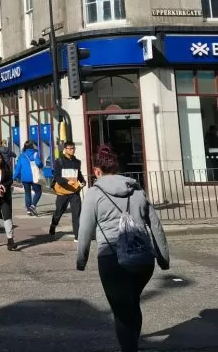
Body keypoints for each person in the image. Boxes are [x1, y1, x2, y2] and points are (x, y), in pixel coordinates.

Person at [77, 145, 170, 352]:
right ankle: (132, 344)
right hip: (142, 259)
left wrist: (81, 259)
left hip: (112, 258)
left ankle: (130, 348)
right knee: (132, 302)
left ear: (97, 171)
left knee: (121, 312)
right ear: (117, 168)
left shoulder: (94, 193)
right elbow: (155, 225)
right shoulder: (137, 190)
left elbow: (85, 229)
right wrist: (163, 258)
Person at [49, 141, 86, 241]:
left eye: (73, 148)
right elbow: (57, 176)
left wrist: (82, 181)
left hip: (74, 191)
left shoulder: (77, 162)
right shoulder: (59, 161)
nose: (72, 150)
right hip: (62, 191)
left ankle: (77, 236)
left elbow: (78, 174)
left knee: (77, 214)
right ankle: (53, 225)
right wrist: (66, 181)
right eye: (70, 148)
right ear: (65, 150)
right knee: (59, 212)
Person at [13, 140, 44, 216]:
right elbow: (39, 163)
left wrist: (13, 177)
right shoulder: (35, 154)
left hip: (25, 178)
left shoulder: (22, 155)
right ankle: (33, 206)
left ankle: (28, 210)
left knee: (27, 193)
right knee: (38, 192)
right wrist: (41, 165)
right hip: (34, 177)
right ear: (32, 146)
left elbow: (18, 169)